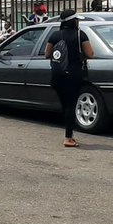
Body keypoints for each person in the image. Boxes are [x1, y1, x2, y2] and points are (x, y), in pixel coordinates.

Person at [45, 9, 94, 148]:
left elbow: (47, 54)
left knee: (65, 105)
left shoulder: (55, 35)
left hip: (57, 74)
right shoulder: (80, 35)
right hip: (74, 75)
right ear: (75, 21)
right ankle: (68, 137)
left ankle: (68, 133)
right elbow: (90, 54)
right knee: (71, 105)